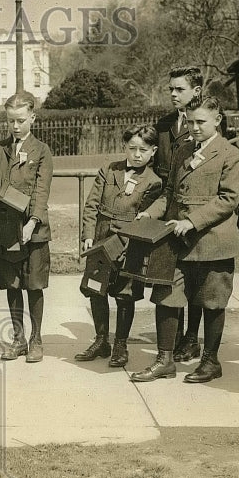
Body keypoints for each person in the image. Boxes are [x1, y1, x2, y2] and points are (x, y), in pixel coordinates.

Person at [132, 96, 239, 384]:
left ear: (217, 120)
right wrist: (148, 213)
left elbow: (229, 199)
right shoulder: (182, 151)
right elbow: (169, 194)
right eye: (191, 121)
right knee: (166, 297)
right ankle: (165, 360)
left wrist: (192, 221)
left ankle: (210, 361)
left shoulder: (230, 154)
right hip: (176, 242)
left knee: (212, 302)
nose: (194, 127)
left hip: (212, 241)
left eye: (201, 122)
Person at [75, 124, 162, 368]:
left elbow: (143, 218)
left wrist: (128, 243)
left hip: (128, 244)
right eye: (132, 148)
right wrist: (88, 235)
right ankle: (101, 340)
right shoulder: (109, 170)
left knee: (125, 295)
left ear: (153, 151)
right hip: (101, 241)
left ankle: (120, 344)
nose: (136, 154)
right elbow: (91, 205)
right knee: (95, 289)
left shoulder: (154, 182)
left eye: (143, 150)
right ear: (124, 146)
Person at [0, 91, 54, 363]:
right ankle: (18, 339)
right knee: (12, 285)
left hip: (33, 231)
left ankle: (36, 340)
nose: (15, 126)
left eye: (21, 120)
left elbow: (41, 190)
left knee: (33, 285)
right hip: (4, 231)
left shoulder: (42, 151)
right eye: (11, 121)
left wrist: (32, 222)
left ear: (32, 118)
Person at [153, 66, 206, 364]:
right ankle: (175, 337)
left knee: (196, 276)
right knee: (172, 276)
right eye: (171, 89)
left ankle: (191, 338)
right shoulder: (164, 125)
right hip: (167, 207)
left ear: (196, 91)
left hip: (194, 212)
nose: (173, 94)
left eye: (180, 89)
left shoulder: (204, 123)